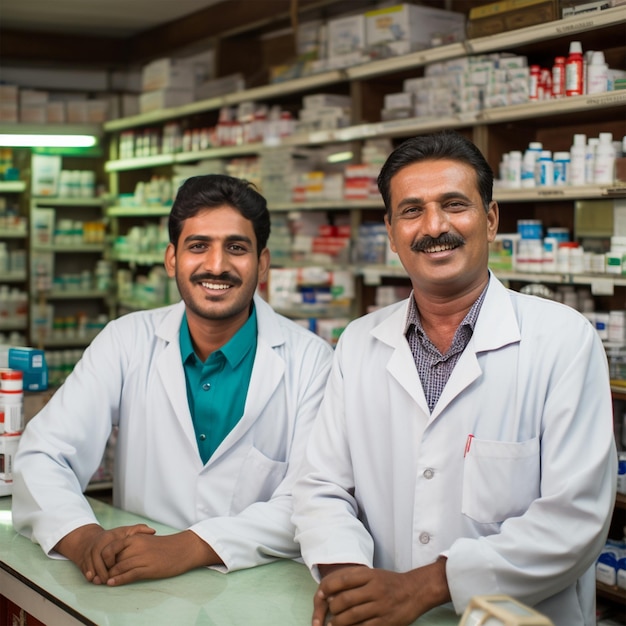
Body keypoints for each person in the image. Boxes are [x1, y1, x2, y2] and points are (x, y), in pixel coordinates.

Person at [292, 130, 617, 626]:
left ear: (489, 221)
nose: (434, 226)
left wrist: (421, 588)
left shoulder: (563, 340)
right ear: (391, 230)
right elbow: (322, 488)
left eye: (454, 204)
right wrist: (353, 582)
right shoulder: (359, 343)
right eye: (411, 210)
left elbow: (576, 519)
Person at [13, 174, 334, 587]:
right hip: (134, 588)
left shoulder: (312, 361)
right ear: (171, 259)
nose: (216, 265)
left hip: (253, 591)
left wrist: (187, 547)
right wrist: (83, 538)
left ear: (263, 262)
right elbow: (44, 454)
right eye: (198, 246)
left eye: (236, 248)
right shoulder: (127, 339)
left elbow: (308, 500)